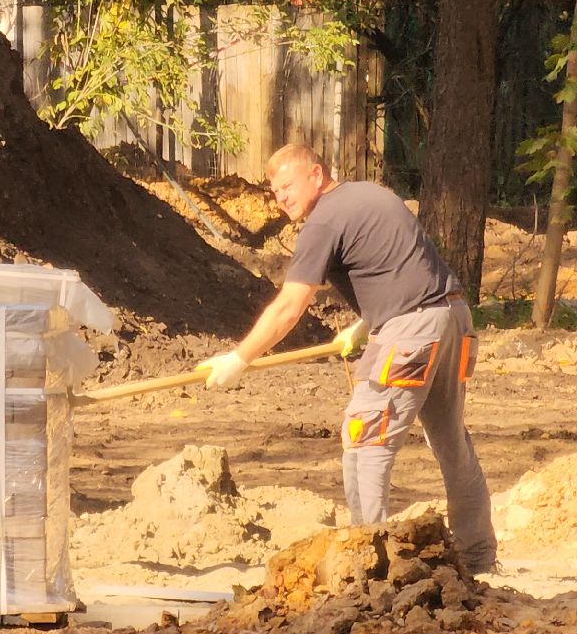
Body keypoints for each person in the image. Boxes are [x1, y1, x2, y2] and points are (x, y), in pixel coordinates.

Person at [197, 144, 494, 573]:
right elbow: (403, 263)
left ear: (316, 175)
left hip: (411, 333)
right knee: (451, 443)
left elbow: (289, 308)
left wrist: (239, 358)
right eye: (274, 190)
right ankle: (478, 556)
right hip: (453, 318)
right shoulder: (370, 195)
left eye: (288, 185)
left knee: (365, 438)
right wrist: (368, 322)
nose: (281, 197)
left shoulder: (324, 220)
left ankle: (365, 562)